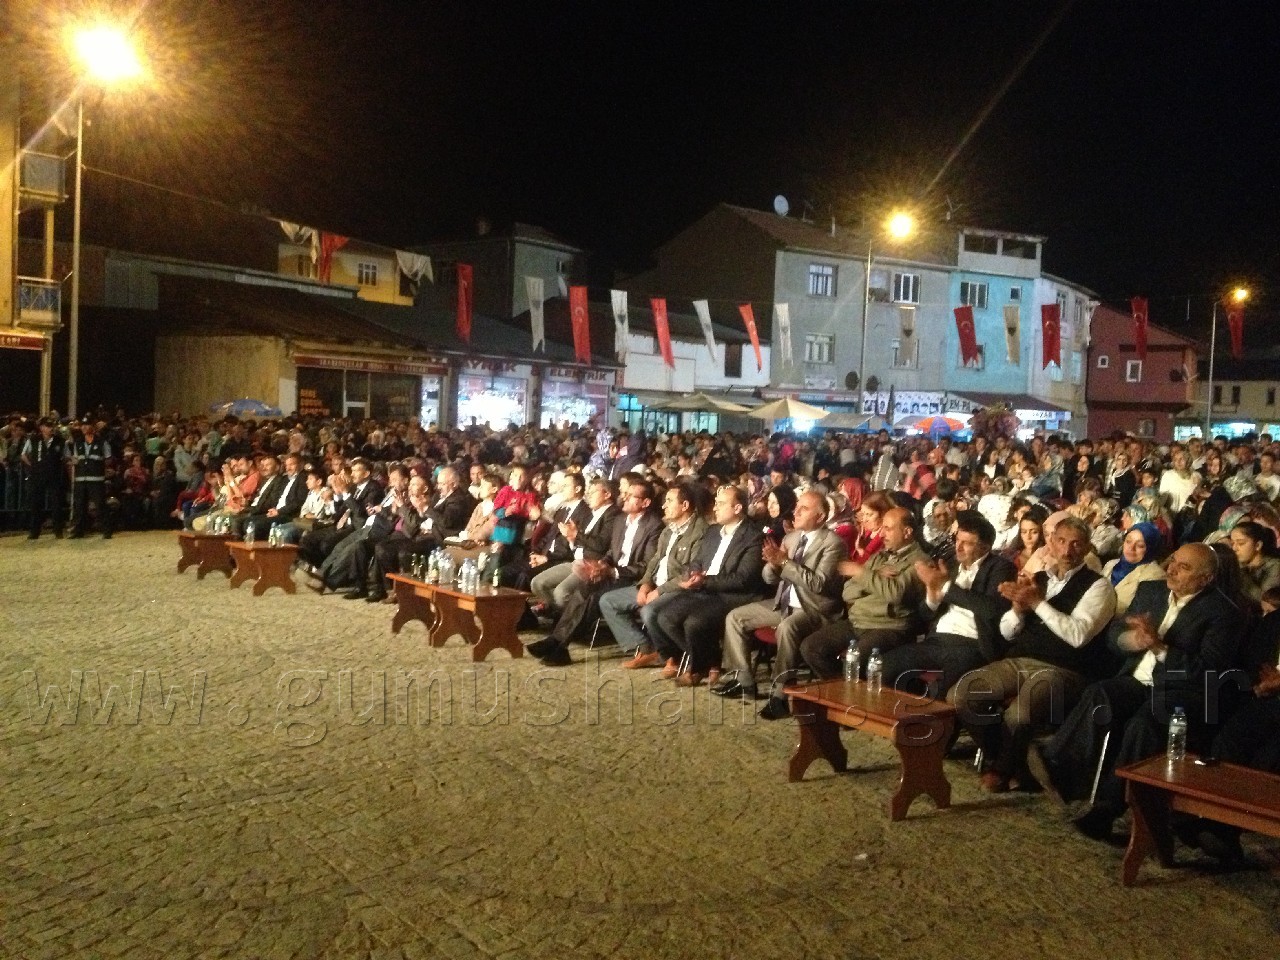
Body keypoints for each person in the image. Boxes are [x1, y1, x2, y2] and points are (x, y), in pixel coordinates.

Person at [1029, 543, 1240, 842]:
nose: (1172, 570)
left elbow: (1209, 671)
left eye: (1185, 567)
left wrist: (1160, 647)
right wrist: (1133, 639)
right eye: (1173, 562)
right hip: (1137, 679)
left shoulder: (1223, 614)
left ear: (1205, 579)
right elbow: (1114, 635)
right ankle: (1060, 767)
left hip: (1182, 693)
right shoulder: (1151, 591)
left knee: (1144, 724)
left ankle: (1106, 809)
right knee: (1100, 692)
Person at [952, 515, 1117, 792]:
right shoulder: (1038, 579)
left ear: (1088, 548)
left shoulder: (1099, 586)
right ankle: (1015, 762)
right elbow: (1007, 632)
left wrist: (1036, 603)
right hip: (1020, 659)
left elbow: (1077, 636)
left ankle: (1001, 768)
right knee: (961, 695)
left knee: (1019, 714)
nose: (1067, 550)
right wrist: (1017, 609)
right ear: (1050, 542)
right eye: (1061, 541)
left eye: (1076, 544)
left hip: (1065, 669)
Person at [714, 491, 848, 718]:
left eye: (804, 509)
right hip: (784, 603)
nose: (795, 511)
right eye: (797, 506)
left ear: (821, 516)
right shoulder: (791, 538)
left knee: (788, 627)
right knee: (735, 617)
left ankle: (780, 695)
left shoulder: (833, 544)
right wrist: (773, 565)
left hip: (814, 609)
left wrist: (784, 562)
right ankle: (743, 680)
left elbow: (818, 584)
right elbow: (770, 579)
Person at [879, 510, 1017, 697]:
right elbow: (925, 615)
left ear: (985, 548)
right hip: (937, 641)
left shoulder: (1000, 567)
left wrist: (945, 587)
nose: (958, 547)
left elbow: (991, 609)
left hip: (971, 645)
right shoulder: (950, 564)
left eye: (967, 543)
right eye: (957, 540)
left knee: (934, 689)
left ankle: (927, 724)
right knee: (884, 667)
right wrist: (932, 594)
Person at [526, 479, 663, 666]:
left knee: (593, 596)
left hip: (633, 578)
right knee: (584, 588)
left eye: (630, 496)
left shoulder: (653, 525)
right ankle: (558, 644)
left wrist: (613, 571)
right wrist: (601, 564)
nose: (624, 498)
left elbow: (647, 564)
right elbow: (611, 552)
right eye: (625, 494)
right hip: (610, 571)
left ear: (645, 503)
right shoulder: (621, 520)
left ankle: (558, 643)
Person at [652, 483, 767, 685]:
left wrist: (705, 581)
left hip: (733, 596)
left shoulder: (753, 537)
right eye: (715, 504)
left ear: (737, 508)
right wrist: (693, 573)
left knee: (694, 622)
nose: (715, 508)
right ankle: (711, 658)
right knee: (665, 617)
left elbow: (743, 579)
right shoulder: (713, 532)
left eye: (721, 504)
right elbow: (698, 560)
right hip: (705, 589)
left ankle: (698, 668)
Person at [797, 506, 927, 680]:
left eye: (888, 529)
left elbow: (895, 593)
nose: (881, 535)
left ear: (907, 532)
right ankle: (841, 691)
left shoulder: (920, 562)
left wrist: (860, 573)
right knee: (811, 647)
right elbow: (848, 592)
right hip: (858, 621)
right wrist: (875, 577)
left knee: (854, 660)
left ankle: (848, 696)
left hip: (888, 627)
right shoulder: (880, 557)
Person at [598, 482, 708, 671]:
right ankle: (645, 648)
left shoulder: (700, 532)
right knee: (608, 600)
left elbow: (689, 572)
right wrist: (645, 584)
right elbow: (655, 560)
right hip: (656, 585)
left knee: (649, 611)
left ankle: (672, 656)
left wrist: (660, 590)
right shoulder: (669, 529)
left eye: (669, 501)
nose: (664, 505)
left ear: (685, 506)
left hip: (678, 589)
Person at [1102, 522, 1166, 615]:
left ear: (1150, 549)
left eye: (1140, 545)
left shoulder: (1154, 575)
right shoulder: (1111, 564)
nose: (1131, 548)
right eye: (1128, 541)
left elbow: (1139, 613)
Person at [20, 418, 68, 540]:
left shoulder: (60, 441)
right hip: (37, 476)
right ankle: (34, 531)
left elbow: (67, 456)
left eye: (51, 426)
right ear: (41, 428)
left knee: (56, 503)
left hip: (54, 475)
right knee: (36, 503)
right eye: (47, 426)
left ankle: (58, 530)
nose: (51, 428)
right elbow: (23, 455)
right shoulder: (33, 440)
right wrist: (33, 465)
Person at [68, 421, 113, 539]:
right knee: (79, 505)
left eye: (86, 425)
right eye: (82, 425)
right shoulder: (78, 443)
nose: (83, 427)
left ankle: (106, 530)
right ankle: (78, 530)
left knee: (100, 505)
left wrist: (98, 466)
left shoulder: (102, 442)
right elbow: (75, 458)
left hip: (96, 479)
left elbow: (108, 459)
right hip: (81, 478)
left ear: (92, 427)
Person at [1228, 520, 1280, 606]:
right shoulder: (1238, 565)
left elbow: (1267, 603)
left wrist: (1241, 575)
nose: (1234, 548)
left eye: (1241, 543)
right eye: (1232, 543)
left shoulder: (1275, 567)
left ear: (1257, 545)